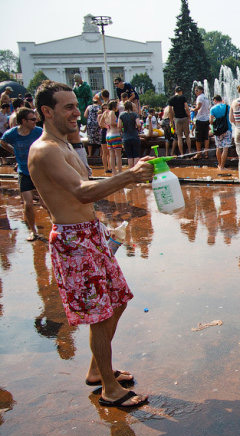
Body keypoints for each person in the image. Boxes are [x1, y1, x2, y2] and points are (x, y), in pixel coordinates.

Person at [28, 80, 152, 408]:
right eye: (68, 107)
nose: (76, 112)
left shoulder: (67, 145)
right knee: (100, 315)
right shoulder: (44, 150)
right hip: (73, 242)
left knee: (119, 300)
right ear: (46, 111)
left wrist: (104, 225)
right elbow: (80, 192)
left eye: (74, 105)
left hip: (91, 233)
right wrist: (129, 175)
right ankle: (110, 390)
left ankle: (98, 371)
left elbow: (87, 188)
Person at [0, 107, 42, 241]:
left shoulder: (38, 132)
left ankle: (56, 226)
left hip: (39, 171)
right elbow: (2, 141)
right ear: (23, 121)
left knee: (46, 203)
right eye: (33, 119)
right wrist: (14, 152)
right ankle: (32, 231)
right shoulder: (12, 134)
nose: (35, 122)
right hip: (24, 172)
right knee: (28, 203)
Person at [209, 95, 232, 171]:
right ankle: (222, 166)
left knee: (218, 148)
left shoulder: (212, 109)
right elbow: (231, 117)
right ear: (221, 99)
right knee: (225, 148)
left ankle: (219, 165)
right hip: (227, 129)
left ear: (215, 100)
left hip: (218, 131)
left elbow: (211, 122)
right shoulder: (227, 107)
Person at [167, 86, 191, 156]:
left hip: (177, 119)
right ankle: (189, 151)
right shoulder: (183, 97)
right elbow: (186, 108)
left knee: (179, 137)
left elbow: (170, 111)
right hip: (184, 118)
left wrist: (171, 120)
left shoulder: (171, 99)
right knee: (187, 136)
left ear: (175, 91)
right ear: (181, 92)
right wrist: (189, 116)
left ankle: (182, 153)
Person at [118, 101, 142, 169]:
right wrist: (136, 127)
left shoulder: (121, 115)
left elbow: (119, 126)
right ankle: (136, 170)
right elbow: (138, 124)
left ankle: (131, 171)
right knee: (136, 155)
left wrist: (123, 129)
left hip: (126, 137)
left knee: (129, 156)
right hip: (134, 136)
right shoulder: (135, 114)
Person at [104, 101, 123, 175]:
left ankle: (114, 171)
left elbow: (101, 122)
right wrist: (120, 124)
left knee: (112, 154)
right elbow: (112, 122)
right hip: (115, 134)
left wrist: (106, 126)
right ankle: (120, 171)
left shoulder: (105, 113)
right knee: (118, 155)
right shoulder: (112, 112)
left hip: (108, 135)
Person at [192, 85, 211, 159]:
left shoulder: (199, 97)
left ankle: (198, 153)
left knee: (198, 138)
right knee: (206, 137)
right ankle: (206, 154)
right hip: (206, 119)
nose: (195, 92)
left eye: (197, 90)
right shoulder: (206, 98)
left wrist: (193, 109)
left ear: (201, 91)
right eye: (195, 90)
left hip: (200, 119)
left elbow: (198, 107)